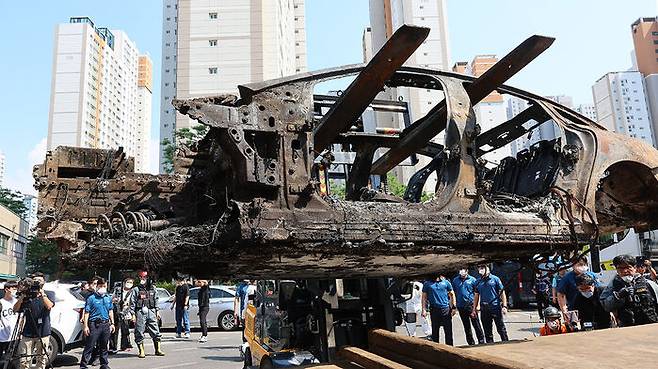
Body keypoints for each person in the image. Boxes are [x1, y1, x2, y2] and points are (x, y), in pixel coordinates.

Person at [601, 254, 658, 327]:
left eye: (628, 267)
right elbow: (606, 306)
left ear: (634, 268)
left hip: (650, 325)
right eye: (620, 268)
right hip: (627, 328)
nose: (625, 271)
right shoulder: (613, 286)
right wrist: (618, 296)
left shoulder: (648, 283)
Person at [13, 272, 55, 369]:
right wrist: (22, 297)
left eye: (39, 280)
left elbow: (49, 306)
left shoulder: (49, 293)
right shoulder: (27, 295)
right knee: (24, 360)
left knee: (41, 359)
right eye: (35, 280)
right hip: (27, 332)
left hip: (43, 331)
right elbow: (15, 309)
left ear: (44, 281)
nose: (37, 282)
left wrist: (42, 294)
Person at [80, 277, 114, 369]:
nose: (102, 288)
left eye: (104, 286)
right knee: (89, 345)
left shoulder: (108, 298)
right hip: (94, 324)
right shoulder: (91, 298)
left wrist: (112, 323)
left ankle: (104, 364)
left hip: (105, 324)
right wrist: (86, 326)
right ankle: (83, 365)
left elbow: (110, 310)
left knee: (104, 345)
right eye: (100, 286)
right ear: (97, 286)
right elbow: (87, 312)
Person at [129, 270, 164, 358]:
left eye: (144, 277)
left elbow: (156, 300)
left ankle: (158, 349)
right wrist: (133, 314)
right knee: (139, 331)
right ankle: (141, 351)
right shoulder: (136, 289)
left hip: (151, 311)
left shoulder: (153, 288)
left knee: (155, 330)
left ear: (148, 278)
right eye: (141, 277)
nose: (142, 279)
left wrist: (157, 311)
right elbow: (132, 302)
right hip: (140, 311)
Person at [472, 264, 509, 343]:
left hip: (495, 307)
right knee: (487, 331)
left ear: (487, 268)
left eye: (482, 268)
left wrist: (504, 306)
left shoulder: (495, 279)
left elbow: (502, 293)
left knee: (501, 328)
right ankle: (490, 345)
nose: (480, 270)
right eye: (479, 268)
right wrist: (474, 309)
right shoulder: (478, 281)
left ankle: (506, 343)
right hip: (484, 309)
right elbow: (476, 296)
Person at [452, 269, 484, 345]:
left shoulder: (473, 280)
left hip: (471, 306)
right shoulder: (455, 280)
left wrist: (477, 306)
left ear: (467, 271)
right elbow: (453, 293)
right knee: (466, 326)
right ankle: (471, 343)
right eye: (460, 270)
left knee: (476, 325)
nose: (462, 271)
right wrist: (454, 306)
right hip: (461, 306)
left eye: (463, 270)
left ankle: (481, 341)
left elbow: (477, 293)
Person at [421, 275, 456, 346]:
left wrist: (454, 307)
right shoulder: (427, 284)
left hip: (445, 309)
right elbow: (424, 297)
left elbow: (452, 294)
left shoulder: (446, 282)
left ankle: (450, 348)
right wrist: (424, 309)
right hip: (434, 309)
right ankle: (436, 348)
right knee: (435, 331)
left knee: (448, 330)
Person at [115, 278, 134, 351]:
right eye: (128, 282)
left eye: (131, 282)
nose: (129, 284)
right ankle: (113, 347)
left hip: (127, 312)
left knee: (125, 330)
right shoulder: (118, 290)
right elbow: (113, 298)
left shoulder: (133, 292)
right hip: (117, 311)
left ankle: (125, 345)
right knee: (115, 330)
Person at [0, 281, 18, 359]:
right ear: (6, 289)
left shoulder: (17, 302)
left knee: (11, 359)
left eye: (16, 289)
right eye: (13, 289)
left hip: (14, 336)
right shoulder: (1, 302)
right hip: (2, 336)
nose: (15, 291)